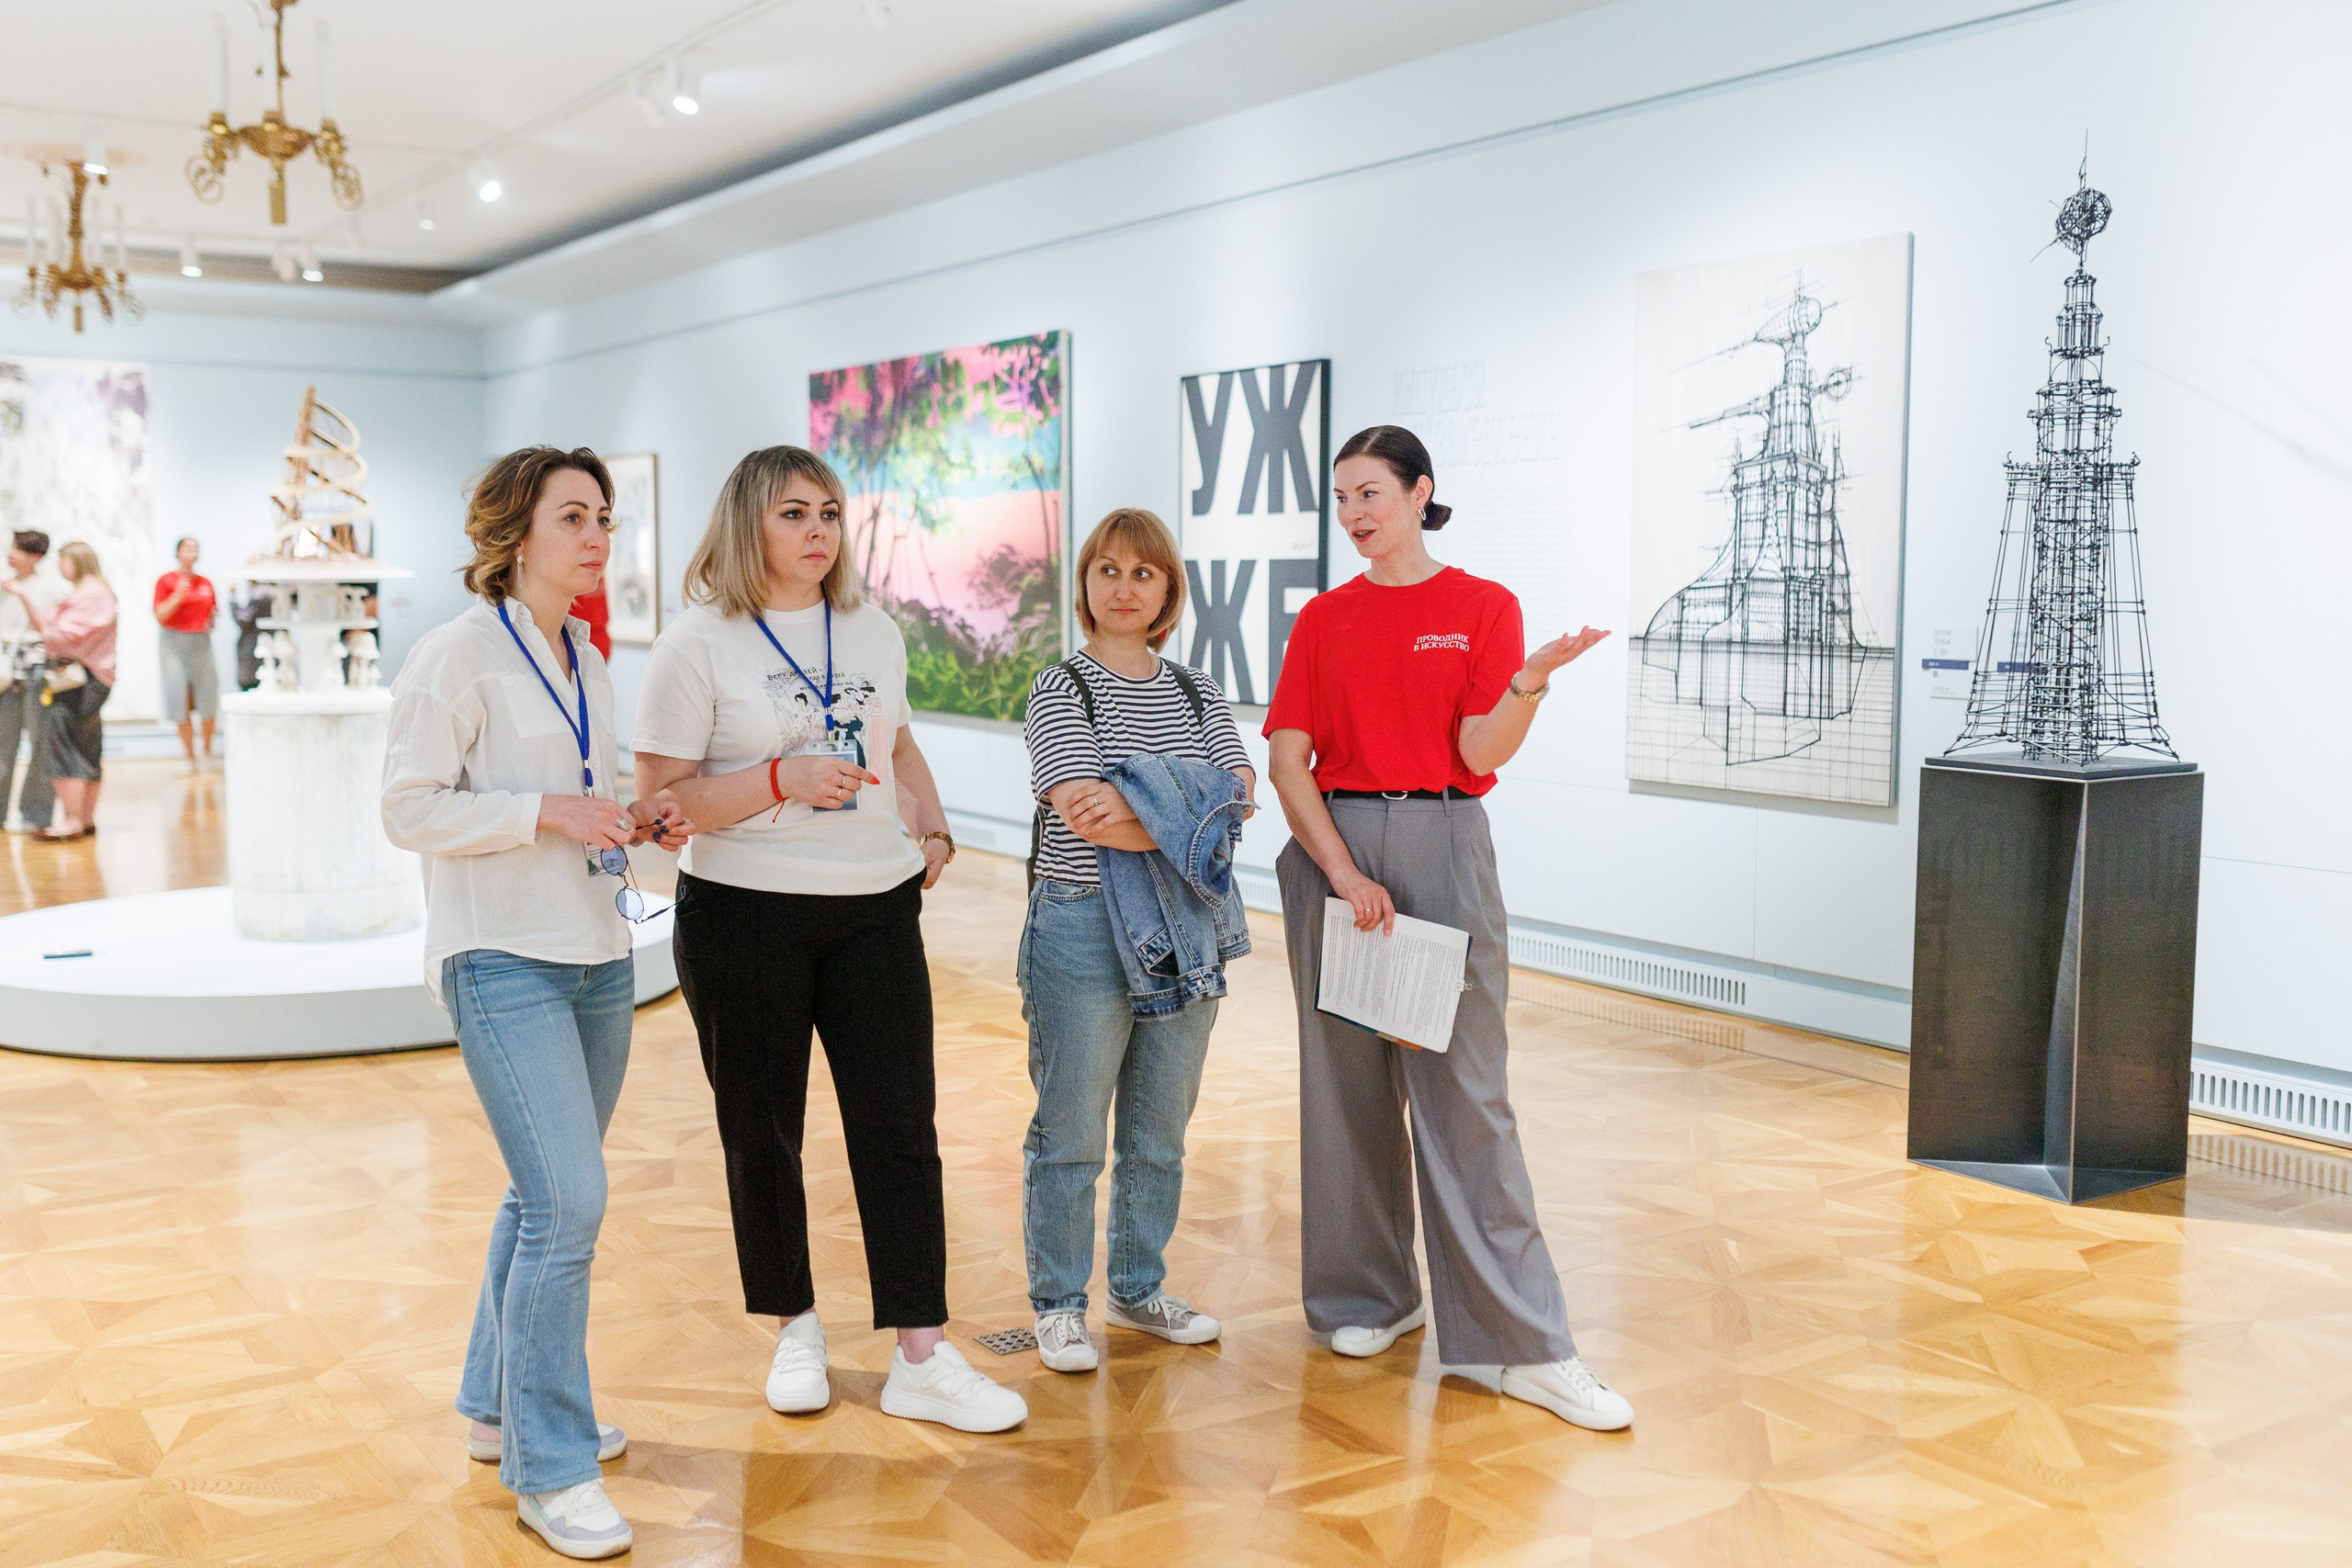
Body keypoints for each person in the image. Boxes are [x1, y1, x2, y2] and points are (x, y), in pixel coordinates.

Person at [631, 446, 1026, 1436]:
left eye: (829, 513)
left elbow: (894, 741)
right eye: (792, 514)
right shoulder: (695, 645)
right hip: (743, 912)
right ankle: (794, 1327)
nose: (817, 532)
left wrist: (931, 827)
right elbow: (657, 807)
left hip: (874, 905)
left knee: (899, 1128)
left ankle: (921, 1357)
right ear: (746, 527)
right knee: (762, 1134)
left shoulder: (872, 628)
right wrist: (777, 780)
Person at [1262, 424, 1633, 1432]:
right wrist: (1339, 873)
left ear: (1422, 492)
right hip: (1335, 848)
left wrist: (1530, 682)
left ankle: (1518, 1344)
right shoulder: (1324, 621)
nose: (1354, 513)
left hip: (1442, 838)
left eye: (1371, 492)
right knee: (1343, 1089)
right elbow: (1289, 759)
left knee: (1465, 1093)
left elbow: (1478, 748)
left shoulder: (1481, 607)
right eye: (1341, 496)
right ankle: (1366, 1299)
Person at [381, 446, 692, 1561]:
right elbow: (407, 811)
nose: (598, 535)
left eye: (604, 516)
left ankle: (495, 1405)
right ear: (517, 533)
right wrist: (545, 813)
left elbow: (581, 797)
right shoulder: (454, 656)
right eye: (575, 516)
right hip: (497, 955)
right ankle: (549, 1468)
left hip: (594, 950)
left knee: (540, 1196)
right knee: (570, 1205)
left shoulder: (592, 661)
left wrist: (626, 819)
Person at [1017, 508, 1255, 1372]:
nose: (1125, 587)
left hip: (1187, 925)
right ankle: (1057, 1303)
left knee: (1160, 1129)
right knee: (1072, 1126)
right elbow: (1085, 812)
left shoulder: (1197, 690)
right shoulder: (1060, 687)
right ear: (1085, 584)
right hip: (1081, 922)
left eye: (1143, 573)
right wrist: (1185, 800)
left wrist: (1147, 799)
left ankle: (1137, 1282)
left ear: (1168, 591)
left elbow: (1237, 795)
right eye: (1108, 570)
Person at [4, 540, 118, 842]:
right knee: (84, 748)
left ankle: (72, 820)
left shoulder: (92, 593)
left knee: (63, 748)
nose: (59, 567)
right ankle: (83, 820)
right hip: (85, 680)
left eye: (63, 560)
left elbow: (61, 635)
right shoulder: (91, 592)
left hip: (78, 681)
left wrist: (26, 600)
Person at [0, 530, 66, 833]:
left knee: (40, 744)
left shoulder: (51, 589)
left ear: (35, 557)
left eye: (18, 549)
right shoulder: (4, 586)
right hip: (5, 673)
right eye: (12, 548)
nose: (11, 554)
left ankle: (36, 816)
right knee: (3, 746)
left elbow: (54, 631)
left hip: (37, 672)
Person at [153, 536, 222, 769]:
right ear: (178, 553)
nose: (192, 553)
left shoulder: (206, 583)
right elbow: (159, 615)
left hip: (201, 643)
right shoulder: (167, 581)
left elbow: (213, 612)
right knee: (178, 698)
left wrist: (210, 621)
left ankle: (208, 751)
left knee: (207, 696)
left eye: (196, 549)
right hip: (173, 643)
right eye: (187, 548)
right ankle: (190, 757)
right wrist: (178, 596)